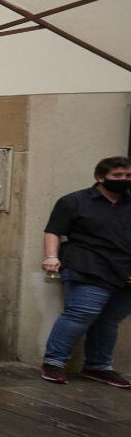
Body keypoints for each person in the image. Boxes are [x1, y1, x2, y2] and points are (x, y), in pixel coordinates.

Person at [39, 156, 131, 388]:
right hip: (89, 265)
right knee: (81, 313)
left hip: (125, 269)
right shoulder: (74, 201)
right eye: (117, 175)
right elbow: (53, 231)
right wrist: (51, 257)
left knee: (110, 319)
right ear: (100, 177)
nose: (124, 179)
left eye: (128, 175)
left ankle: (98, 366)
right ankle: (53, 362)